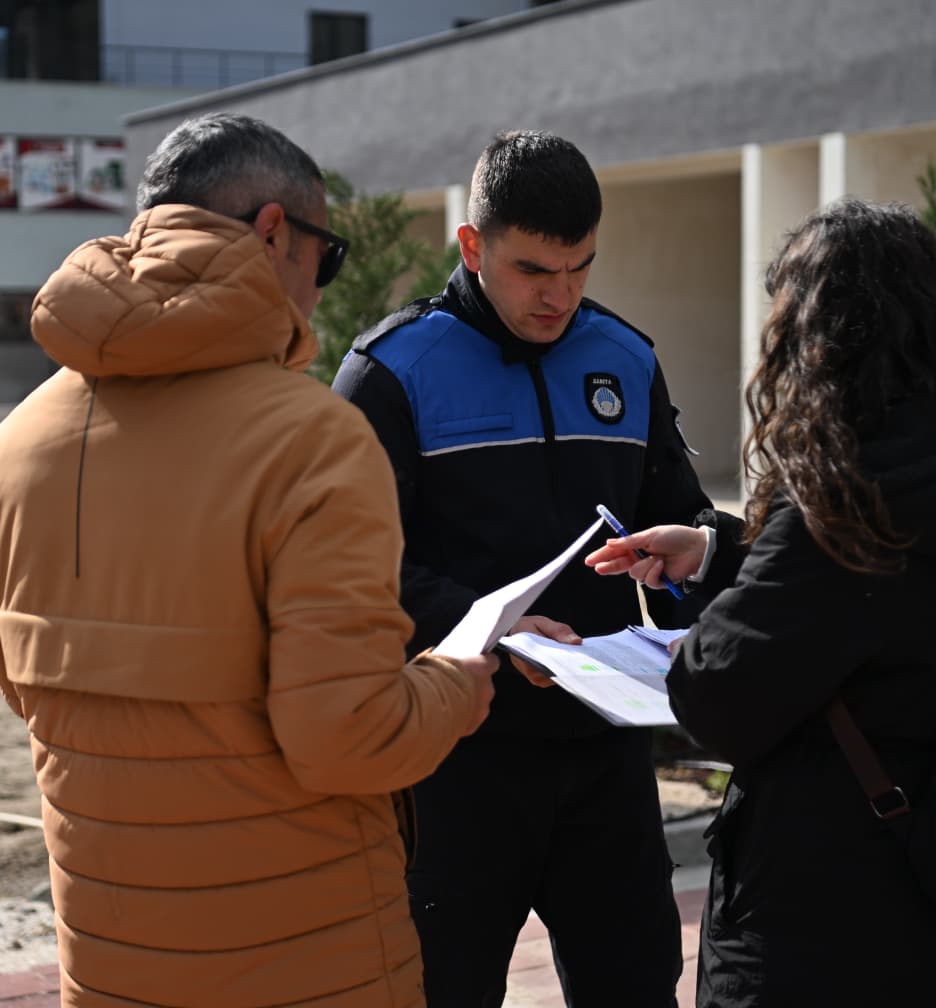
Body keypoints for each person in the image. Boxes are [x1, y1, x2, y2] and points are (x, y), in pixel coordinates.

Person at [0, 112, 497, 1008]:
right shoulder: (315, 442)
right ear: (273, 232)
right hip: (311, 962)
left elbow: (24, 690)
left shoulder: (12, 447)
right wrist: (455, 683)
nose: (322, 287)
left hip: (111, 962)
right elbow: (349, 738)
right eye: (327, 257)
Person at [586, 198, 936, 1007]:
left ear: (821, 346)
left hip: (823, 919)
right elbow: (899, 603)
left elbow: (717, 695)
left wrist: (699, 638)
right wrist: (722, 552)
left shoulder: (848, 501)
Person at [333, 130, 737, 1007]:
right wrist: (490, 625)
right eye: (532, 271)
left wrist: (688, 582)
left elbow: (683, 521)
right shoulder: (389, 373)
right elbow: (347, 571)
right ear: (471, 246)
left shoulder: (626, 358)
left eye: (579, 268)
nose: (560, 296)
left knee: (636, 987)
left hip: (605, 756)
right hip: (453, 759)